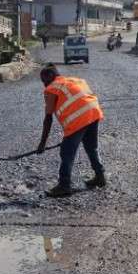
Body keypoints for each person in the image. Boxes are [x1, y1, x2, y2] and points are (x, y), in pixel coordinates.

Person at [37, 63, 107, 197]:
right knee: (91, 148)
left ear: (51, 76)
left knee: (66, 152)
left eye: (44, 81)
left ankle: (64, 185)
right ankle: (100, 177)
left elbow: (48, 119)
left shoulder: (52, 88)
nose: (44, 85)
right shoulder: (75, 80)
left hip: (79, 119)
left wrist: (42, 144)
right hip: (93, 112)